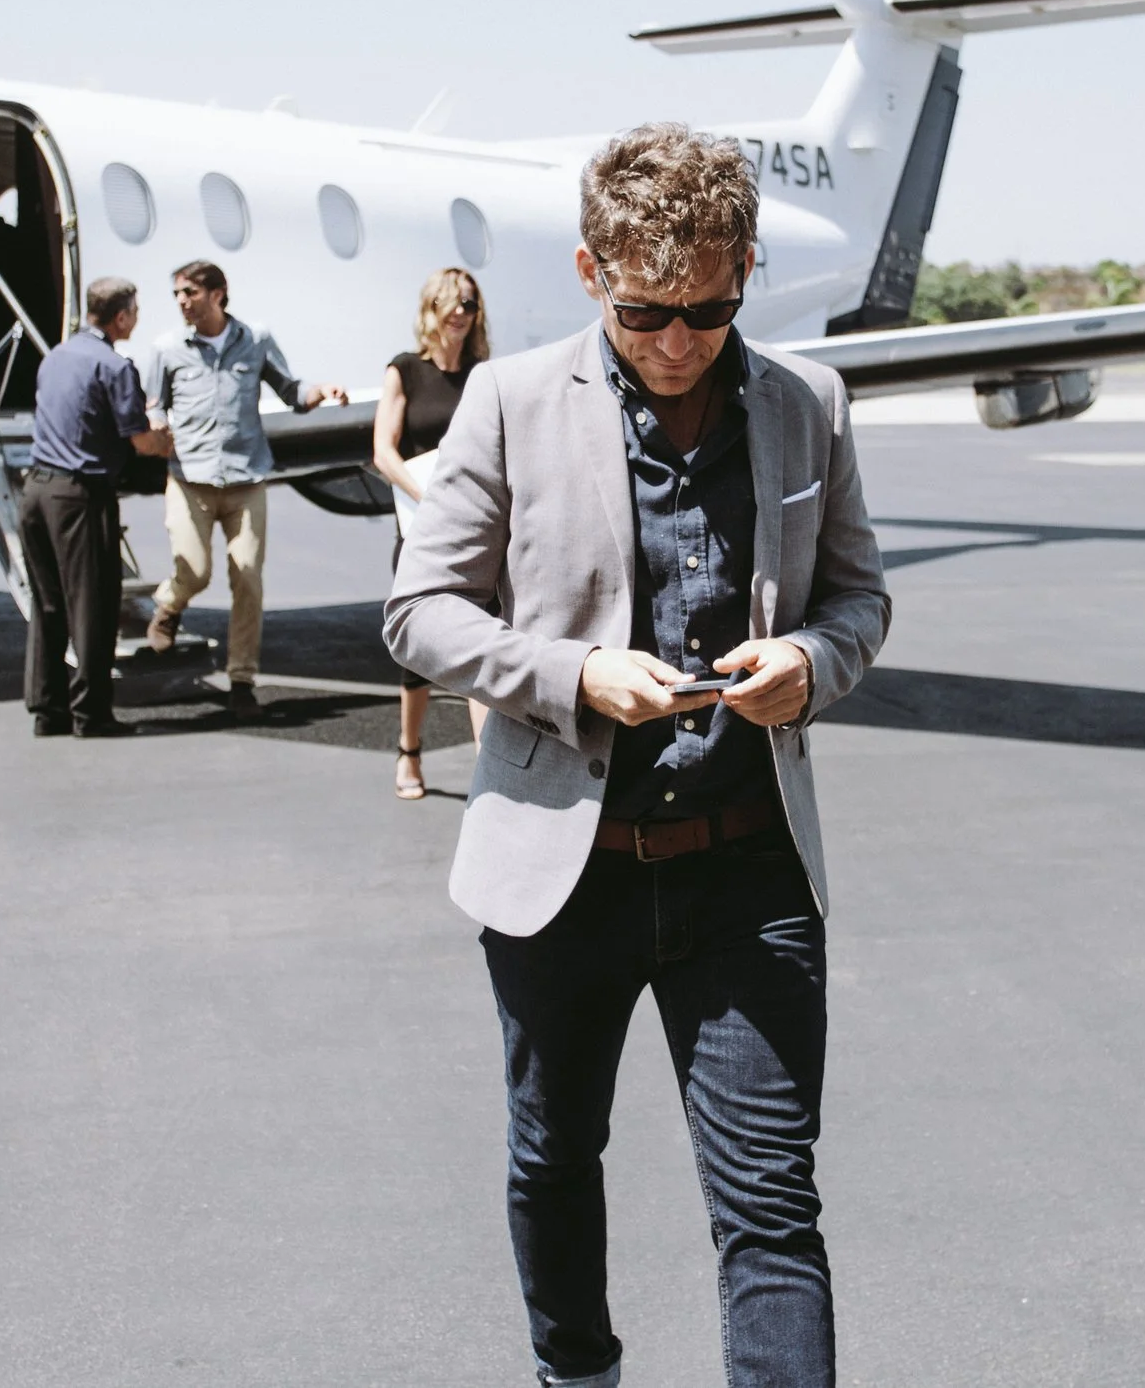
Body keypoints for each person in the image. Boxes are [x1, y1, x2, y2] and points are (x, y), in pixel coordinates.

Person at [385, 123, 890, 1388]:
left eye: (711, 308)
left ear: (747, 271)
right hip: (565, 871)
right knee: (552, 1158)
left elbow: (857, 599)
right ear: (589, 269)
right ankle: (579, 1373)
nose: (679, 342)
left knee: (772, 1200)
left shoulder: (806, 404)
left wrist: (813, 667)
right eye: (649, 309)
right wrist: (572, 676)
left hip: (746, 873)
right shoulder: (505, 402)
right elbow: (418, 610)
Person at [141, 258, 349, 715]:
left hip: (247, 476)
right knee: (195, 570)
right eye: (176, 294)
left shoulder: (255, 339)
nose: (181, 302)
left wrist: (322, 392)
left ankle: (241, 680)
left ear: (217, 294)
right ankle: (169, 606)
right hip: (189, 477)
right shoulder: (166, 348)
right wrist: (154, 428)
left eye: (189, 293)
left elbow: (291, 390)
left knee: (248, 578)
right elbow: (155, 407)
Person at [21, 277, 177, 738]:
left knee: (48, 604)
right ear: (122, 316)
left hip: (36, 491)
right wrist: (167, 441)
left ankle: (47, 710)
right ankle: (91, 713)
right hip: (79, 497)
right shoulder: (114, 366)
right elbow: (141, 440)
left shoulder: (56, 356)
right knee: (92, 605)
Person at [373, 266, 492, 799]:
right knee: (419, 647)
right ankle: (409, 750)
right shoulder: (404, 370)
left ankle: (489, 764)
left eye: (471, 304)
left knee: (486, 638)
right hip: (421, 524)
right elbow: (383, 451)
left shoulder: (483, 374)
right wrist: (429, 497)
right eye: (455, 303)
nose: (463, 313)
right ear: (433, 309)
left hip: (477, 525)